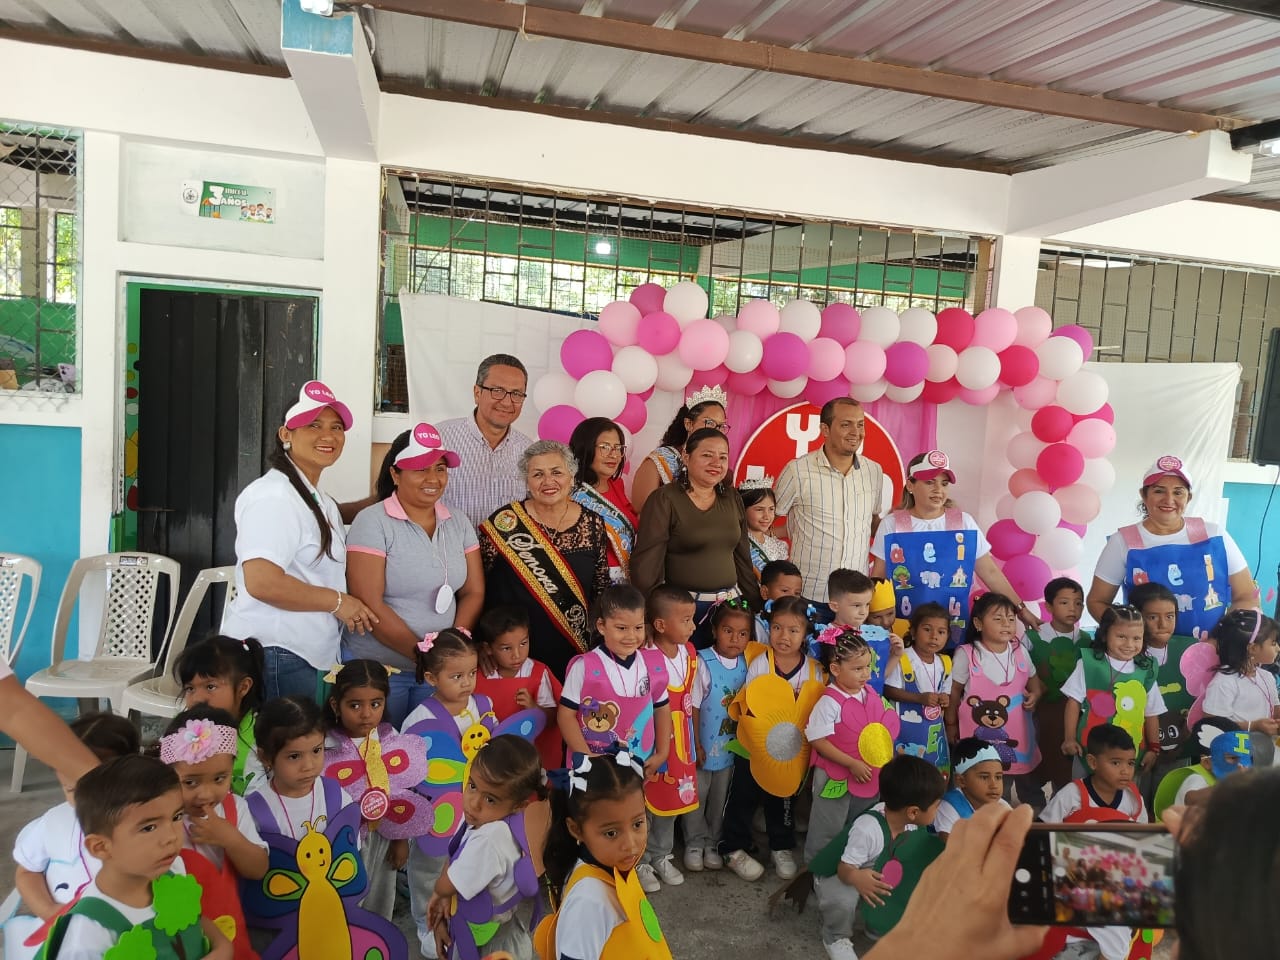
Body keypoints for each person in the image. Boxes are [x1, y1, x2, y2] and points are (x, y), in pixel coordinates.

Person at [221, 380, 377, 700]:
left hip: (299, 654)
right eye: (313, 425)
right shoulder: (274, 497)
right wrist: (339, 602)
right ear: (286, 435)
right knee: (283, 734)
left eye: (336, 427)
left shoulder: (314, 496)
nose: (328, 435)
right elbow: (263, 582)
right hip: (275, 653)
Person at [344, 423, 483, 726]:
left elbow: (473, 591)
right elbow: (369, 602)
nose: (433, 478)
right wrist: (426, 657)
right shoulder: (373, 522)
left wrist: (452, 648)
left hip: (438, 674)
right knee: (382, 749)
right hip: (380, 672)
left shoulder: (458, 522)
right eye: (420, 469)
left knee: (432, 747)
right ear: (395, 474)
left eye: (440, 468)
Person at [41, 755, 232, 960]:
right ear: (101, 847)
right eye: (149, 827)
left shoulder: (173, 868)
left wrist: (222, 947)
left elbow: (192, 918)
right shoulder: (87, 936)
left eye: (176, 817)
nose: (171, 837)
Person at [872, 451, 1040, 648]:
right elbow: (878, 579)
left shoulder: (962, 522)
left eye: (944, 483)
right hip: (904, 629)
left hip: (951, 628)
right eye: (929, 482)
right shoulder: (893, 524)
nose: (938, 490)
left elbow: (990, 572)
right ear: (910, 485)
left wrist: (1021, 609)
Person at [8, 714, 139, 960]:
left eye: (97, 789)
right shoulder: (52, 824)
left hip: (130, 935)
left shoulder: (147, 822)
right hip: (61, 934)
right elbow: (27, 871)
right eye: (71, 790)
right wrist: (48, 910)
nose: (84, 801)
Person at [480, 440, 610, 680]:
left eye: (557, 472)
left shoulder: (593, 523)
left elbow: (600, 589)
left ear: (571, 476)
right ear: (527, 481)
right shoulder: (505, 522)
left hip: (573, 650)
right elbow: (479, 587)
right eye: (538, 474)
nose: (548, 481)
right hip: (513, 655)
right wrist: (480, 642)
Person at [1087, 454, 1257, 637]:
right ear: (1144, 495)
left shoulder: (1214, 535)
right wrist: (1129, 636)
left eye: (1178, 492)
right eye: (1159, 491)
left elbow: (1246, 595)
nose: (1169, 500)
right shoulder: (1123, 542)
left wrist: (1222, 640)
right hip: (1145, 652)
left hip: (1211, 650)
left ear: (1188, 497)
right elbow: (1097, 601)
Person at [719, 596, 825, 882]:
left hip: (789, 752)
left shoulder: (814, 670)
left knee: (783, 798)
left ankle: (781, 846)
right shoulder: (760, 662)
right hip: (752, 747)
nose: (783, 636)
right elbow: (754, 702)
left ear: (806, 633)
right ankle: (733, 846)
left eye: (793, 630)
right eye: (777, 628)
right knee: (743, 795)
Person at [535, 747, 673, 960]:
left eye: (637, 824)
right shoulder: (588, 901)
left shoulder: (614, 865)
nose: (630, 845)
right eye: (611, 833)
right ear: (576, 829)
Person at [632, 427, 759, 648]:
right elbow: (646, 564)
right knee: (686, 669)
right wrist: (649, 616)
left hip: (731, 611)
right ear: (686, 456)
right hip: (682, 614)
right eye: (707, 455)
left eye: (723, 457)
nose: (716, 463)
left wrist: (754, 606)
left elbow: (742, 558)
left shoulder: (732, 497)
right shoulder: (665, 499)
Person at [401, 629, 486, 959]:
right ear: (431, 678)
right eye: (456, 676)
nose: (466, 683)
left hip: (475, 807)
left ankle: (461, 917)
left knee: (468, 861)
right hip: (437, 812)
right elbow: (408, 773)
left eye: (472, 673)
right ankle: (427, 924)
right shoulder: (419, 718)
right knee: (429, 869)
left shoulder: (481, 706)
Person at [811, 755, 945, 960]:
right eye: (937, 806)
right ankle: (835, 936)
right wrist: (857, 878)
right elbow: (844, 868)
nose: (939, 810)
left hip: (878, 869)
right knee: (843, 899)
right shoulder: (867, 830)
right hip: (845, 873)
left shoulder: (910, 824)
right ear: (913, 812)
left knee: (902, 877)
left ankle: (876, 923)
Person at [323, 660, 427, 920]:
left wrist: (400, 840)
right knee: (347, 902)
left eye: (376, 704)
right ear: (336, 705)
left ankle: (377, 938)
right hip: (345, 841)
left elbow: (401, 791)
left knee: (380, 897)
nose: (366, 714)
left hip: (384, 836)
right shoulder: (325, 744)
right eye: (355, 705)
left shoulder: (389, 737)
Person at [161, 707, 268, 960]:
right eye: (190, 782)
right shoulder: (160, 819)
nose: (206, 794)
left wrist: (230, 839)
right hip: (177, 937)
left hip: (231, 929)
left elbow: (258, 869)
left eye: (220, 779)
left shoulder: (235, 809)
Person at [426, 736, 544, 960]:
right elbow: (456, 856)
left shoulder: (490, 838)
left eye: (490, 799)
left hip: (490, 940)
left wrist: (439, 893)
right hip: (491, 926)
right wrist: (443, 897)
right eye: (472, 786)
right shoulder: (487, 817)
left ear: (518, 806)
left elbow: (448, 883)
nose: (474, 803)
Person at [1039, 725, 1146, 960]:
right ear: (1093, 762)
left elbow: (1142, 842)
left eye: (1130, 763)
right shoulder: (1072, 795)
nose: (1125, 771)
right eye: (1116, 762)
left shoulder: (1133, 799)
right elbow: (1042, 834)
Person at [775, 397, 885, 602]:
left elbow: (872, 522)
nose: (856, 432)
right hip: (808, 594)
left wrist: (904, 526)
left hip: (854, 599)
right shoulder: (797, 471)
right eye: (846, 425)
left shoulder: (874, 471)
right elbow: (765, 522)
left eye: (860, 424)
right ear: (825, 429)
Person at [557, 584, 673, 771]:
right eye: (621, 628)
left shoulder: (653, 665)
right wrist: (588, 757)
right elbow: (565, 715)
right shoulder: (584, 667)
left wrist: (662, 752)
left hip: (639, 768)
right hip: (593, 769)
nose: (631, 636)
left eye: (638, 627)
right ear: (601, 626)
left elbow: (662, 708)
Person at [945, 592, 1043, 805]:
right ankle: (995, 818)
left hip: (1020, 736)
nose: (1006, 624)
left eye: (1011, 619)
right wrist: (950, 724)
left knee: (1028, 781)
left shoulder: (1020, 650)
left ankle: (1037, 819)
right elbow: (953, 692)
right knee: (993, 785)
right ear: (978, 623)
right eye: (998, 618)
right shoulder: (968, 654)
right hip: (979, 739)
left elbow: (1035, 683)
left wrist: (1035, 695)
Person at [637, 584, 698, 893]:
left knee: (671, 802)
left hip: (681, 745)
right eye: (686, 620)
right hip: (654, 744)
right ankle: (640, 860)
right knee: (646, 803)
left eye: (692, 618)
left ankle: (661, 854)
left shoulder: (689, 653)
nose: (693, 626)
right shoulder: (645, 657)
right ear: (659, 625)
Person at [685, 597, 752, 873]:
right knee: (697, 795)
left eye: (743, 633)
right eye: (728, 631)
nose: (735, 639)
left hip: (731, 748)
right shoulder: (703, 662)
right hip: (703, 746)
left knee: (720, 798)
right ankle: (693, 842)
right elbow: (693, 707)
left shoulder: (748, 664)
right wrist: (696, 744)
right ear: (714, 631)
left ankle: (713, 841)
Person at [805, 631, 882, 866]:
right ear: (836, 669)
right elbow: (817, 740)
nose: (866, 674)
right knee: (827, 825)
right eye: (858, 669)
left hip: (866, 774)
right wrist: (851, 763)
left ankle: (853, 866)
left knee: (861, 821)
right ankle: (817, 870)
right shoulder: (829, 702)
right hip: (834, 776)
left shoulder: (869, 692)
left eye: (867, 666)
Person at [1061, 605, 1164, 775]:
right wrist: (1069, 739)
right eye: (1121, 636)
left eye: (1136, 638)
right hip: (1089, 749)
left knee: (1125, 790)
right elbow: (1073, 702)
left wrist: (1154, 748)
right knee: (1084, 788)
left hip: (1130, 754)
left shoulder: (1146, 669)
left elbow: (1151, 712)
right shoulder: (1089, 664)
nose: (1129, 644)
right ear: (1104, 635)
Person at [437, 354, 535, 527]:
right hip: (449, 544)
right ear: (477, 393)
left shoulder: (528, 450)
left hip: (508, 545)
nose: (507, 402)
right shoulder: (440, 439)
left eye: (516, 394)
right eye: (497, 391)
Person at [473, 604, 563, 773]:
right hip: (488, 759)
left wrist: (534, 708)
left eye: (523, 643)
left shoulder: (537, 672)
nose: (517, 654)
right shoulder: (477, 676)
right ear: (487, 649)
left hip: (527, 758)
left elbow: (554, 720)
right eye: (506, 648)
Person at [175, 634, 266, 796]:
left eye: (210, 687)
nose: (197, 698)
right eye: (190, 689)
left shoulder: (261, 735)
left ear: (243, 687)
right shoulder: (184, 732)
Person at [1129, 581, 1195, 790]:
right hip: (1136, 747)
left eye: (1170, 616)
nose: (1162, 624)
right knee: (1136, 797)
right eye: (1152, 617)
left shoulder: (1192, 651)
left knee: (1170, 794)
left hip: (1178, 744)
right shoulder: (1125, 654)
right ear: (1137, 617)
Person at [1024, 578, 1087, 794]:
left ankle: (1063, 800)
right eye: (1065, 602)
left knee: (1066, 762)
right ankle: (1033, 803)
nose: (1073, 608)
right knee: (1037, 756)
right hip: (1038, 711)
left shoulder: (1087, 641)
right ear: (1049, 607)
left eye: (1078, 603)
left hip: (1073, 713)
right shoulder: (1032, 637)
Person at [631, 383, 729, 515]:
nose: (716, 431)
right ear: (688, 424)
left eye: (721, 426)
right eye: (709, 423)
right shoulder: (659, 462)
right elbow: (643, 511)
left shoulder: (720, 469)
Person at [1200, 607, 1280, 763]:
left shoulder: (1267, 677)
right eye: (1273, 643)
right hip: (1235, 757)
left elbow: (1275, 710)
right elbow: (1211, 725)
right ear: (1253, 649)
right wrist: (1253, 726)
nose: (1278, 648)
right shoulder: (1224, 682)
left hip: (1263, 751)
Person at [884, 602, 953, 773]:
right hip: (904, 732)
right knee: (905, 773)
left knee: (931, 772)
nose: (934, 636)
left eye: (941, 632)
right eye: (927, 629)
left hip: (932, 734)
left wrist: (945, 699)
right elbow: (888, 690)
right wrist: (919, 698)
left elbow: (946, 692)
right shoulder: (902, 658)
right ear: (913, 632)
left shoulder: (945, 663)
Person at [569, 417, 638, 583]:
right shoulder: (570, 491)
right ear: (585, 448)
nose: (613, 454)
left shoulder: (617, 485)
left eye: (618, 448)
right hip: (590, 582)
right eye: (605, 447)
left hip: (625, 583)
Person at [819, 568, 899, 695]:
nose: (863, 612)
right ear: (834, 606)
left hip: (872, 702)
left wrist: (896, 655)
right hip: (840, 703)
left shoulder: (876, 635)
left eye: (867, 604)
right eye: (857, 605)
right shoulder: (824, 637)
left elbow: (878, 677)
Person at [1152, 718, 1251, 816]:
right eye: (1232, 758)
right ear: (1207, 762)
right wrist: (1231, 785)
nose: (1240, 765)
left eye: (1246, 759)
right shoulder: (1196, 778)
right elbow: (1192, 800)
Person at [932, 737, 1011, 840]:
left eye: (998, 777)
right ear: (961, 781)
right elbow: (951, 845)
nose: (994, 785)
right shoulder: (949, 806)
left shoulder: (1002, 806)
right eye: (984, 777)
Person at [739, 477, 788, 577]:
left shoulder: (777, 546)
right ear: (743, 510)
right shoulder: (737, 542)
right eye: (759, 509)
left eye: (771, 509)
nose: (766, 516)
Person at [756, 559, 804, 642]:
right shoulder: (756, 627)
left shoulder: (801, 624)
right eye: (785, 590)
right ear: (765, 593)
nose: (791, 597)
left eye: (797, 593)